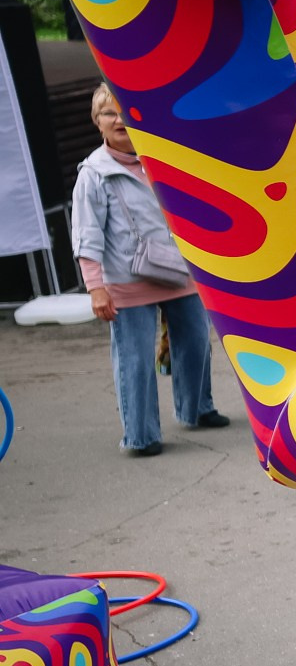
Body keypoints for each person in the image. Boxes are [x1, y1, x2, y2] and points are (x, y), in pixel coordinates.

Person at [70, 85, 223, 455]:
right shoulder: (93, 174)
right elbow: (86, 235)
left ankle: (196, 409)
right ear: (97, 123)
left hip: (180, 273)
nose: (119, 119)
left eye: (125, 110)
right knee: (134, 360)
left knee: (196, 344)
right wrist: (96, 288)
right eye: (109, 113)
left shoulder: (163, 158)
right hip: (126, 282)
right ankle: (140, 436)